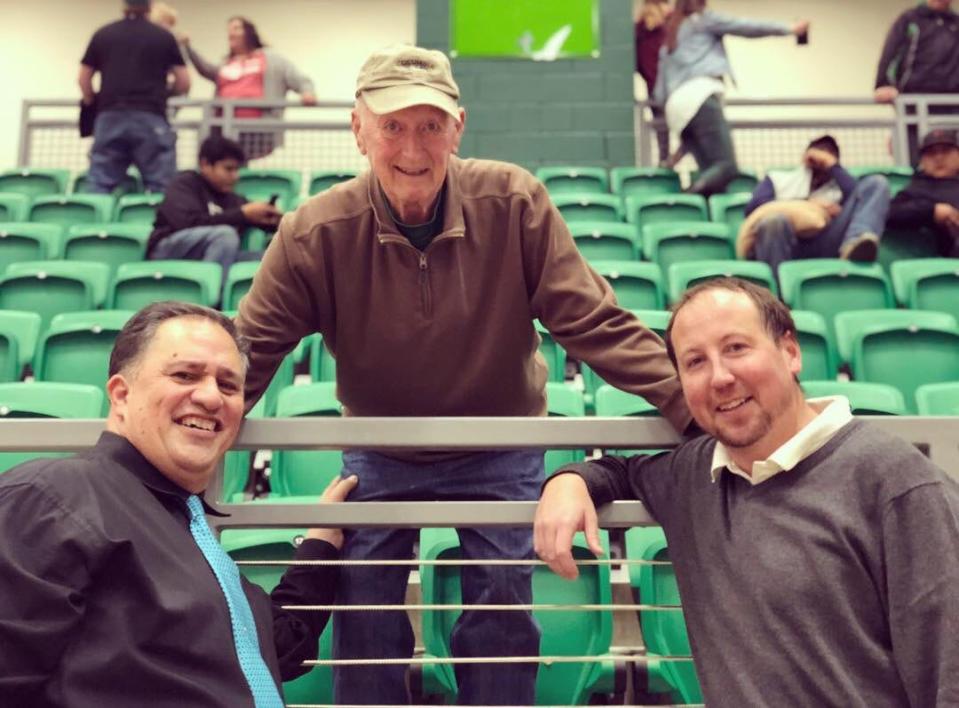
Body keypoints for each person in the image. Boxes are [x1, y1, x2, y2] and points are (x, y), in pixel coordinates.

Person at [235, 44, 692, 705]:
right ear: (357, 129)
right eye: (392, 125)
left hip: (501, 437)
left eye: (429, 125)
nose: (412, 147)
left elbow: (590, 320)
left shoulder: (513, 201)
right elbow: (249, 352)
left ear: (458, 126)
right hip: (380, 445)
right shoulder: (315, 230)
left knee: (502, 600)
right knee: (364, 606)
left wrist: (689, 403)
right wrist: (179, 436)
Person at [535, 277, 959, 707]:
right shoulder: (693, 475)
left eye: (736, 348)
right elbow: (619, 471)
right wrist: (570, 481)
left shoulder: (900, 484)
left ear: (790, 352)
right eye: (695, 362)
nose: (720, 377)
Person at [0, 301, 359, 706]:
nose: (210, 397)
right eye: (185, 375)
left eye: (228, 385)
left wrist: (320, 546)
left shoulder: (194, 542)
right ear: (120, 395)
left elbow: (278, 649)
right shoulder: (51, 495)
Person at [653, 0, 808, 195]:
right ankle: (685, 200)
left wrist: (676, 151)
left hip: (675, 108)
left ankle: (694, 212)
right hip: (700, 95)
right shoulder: (703, 20)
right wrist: (790, 29)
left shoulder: (670, 38)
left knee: (710, 173)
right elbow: (746, 27)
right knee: (727, 167)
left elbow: (659, 94)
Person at [148, 135, 280, 298]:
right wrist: (241, 215)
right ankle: (212, 301)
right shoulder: (185, 184)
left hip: (214, 256)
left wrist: (274, 220)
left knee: (265, 259)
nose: (235, 176)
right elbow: (185, 223)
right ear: (205, 164)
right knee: (224, 235)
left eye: (237, 170)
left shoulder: (232, 198)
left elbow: (251, 217)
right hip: (169, 250)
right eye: (228, 169)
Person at [79, 0, 189, 194]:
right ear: (149, 6)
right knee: (161, 187)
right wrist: (165, 93)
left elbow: (83, 79)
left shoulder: (103, 33)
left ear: (124, 5)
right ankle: (161, 224)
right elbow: (184, 82)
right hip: (150, 117)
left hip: (110, 116)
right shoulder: (163, 37)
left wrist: (91, 101)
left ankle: (94, 222)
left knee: (99, 185)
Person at [742, 135, 890, 273]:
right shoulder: (778, 179)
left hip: (825, 244)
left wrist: (833, 166)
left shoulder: (842, 186)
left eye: (828, 155)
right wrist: (808, 205)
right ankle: (777, 295)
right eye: (819, 153)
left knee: (877, 183)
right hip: (784, 243)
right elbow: (753, 208)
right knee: (773, 222)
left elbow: (861, 199)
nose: (821, 160)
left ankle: (853, 246)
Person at [182, 16, 316, 160]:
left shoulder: (272, 59)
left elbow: (297, 77)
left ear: (249, 32)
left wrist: (307, 91)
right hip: (224, 126)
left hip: (258, 127)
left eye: (236, 28)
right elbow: (206, 69)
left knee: (237, 162)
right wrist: (188, 48)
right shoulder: (226, 63)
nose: (231, 33)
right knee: (225, 162)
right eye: (229, 30)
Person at [874, 0, 959, 166]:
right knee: (912, 160)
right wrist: (882, 83)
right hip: (913, 101)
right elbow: (892, 51)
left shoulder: (956, 23)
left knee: (949, 163)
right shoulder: (910, 19)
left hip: (951, 104)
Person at [887, 128, 959, 257]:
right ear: (923, 161)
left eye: (945, 151)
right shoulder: (917, 188)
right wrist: (932, 210)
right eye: (931, 153)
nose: (939, 158)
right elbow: (890, 212)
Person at [635, 0, 671, 164]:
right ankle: (664, 161)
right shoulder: (640, 32)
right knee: (662, 130)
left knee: (667, 129)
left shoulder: (668, 29)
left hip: (666, 88)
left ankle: (666, 160)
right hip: (657, 88)